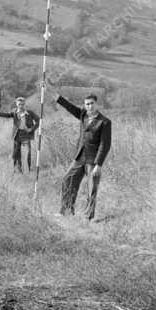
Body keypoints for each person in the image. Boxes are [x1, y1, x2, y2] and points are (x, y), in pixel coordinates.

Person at [56, 92, 112, 221]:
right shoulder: (83, 115)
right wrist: (50, 91)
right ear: (84, 105)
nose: (90, 106)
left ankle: (88, 216)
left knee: (91, 188)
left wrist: (99, 165)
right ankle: (67, 211)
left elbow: (105, 144)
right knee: (67, 180)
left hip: (93, 160)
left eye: (92, 103)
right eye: (87, 104)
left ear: (96, 104)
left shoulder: (105, 122)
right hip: (80, 157)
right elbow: (68, 106)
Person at [0, 97, 40, 172]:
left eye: (22, 104)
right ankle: (17, 169)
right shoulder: (14, 112)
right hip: (17, 134)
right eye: (19, 104)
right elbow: (7, 115)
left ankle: (28, 169)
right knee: (16, 153)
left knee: (27, 152)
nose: (21, 106)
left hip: (26, 135)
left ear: (24, 104)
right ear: (16, 105)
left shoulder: (29, 113)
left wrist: (32, 129)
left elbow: (38, 120)